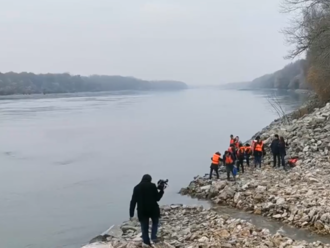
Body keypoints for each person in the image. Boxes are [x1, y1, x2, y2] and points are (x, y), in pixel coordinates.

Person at [130, 174, 164, 246]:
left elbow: (133, 201)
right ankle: (153, 237)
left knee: (144, 227)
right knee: (155, 223)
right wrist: (161, 190)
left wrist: (131, 213)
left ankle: (146, 242)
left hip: (142, 211)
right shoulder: (152, 186)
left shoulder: (136, 188)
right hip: (153, 209)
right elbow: (157, 198)